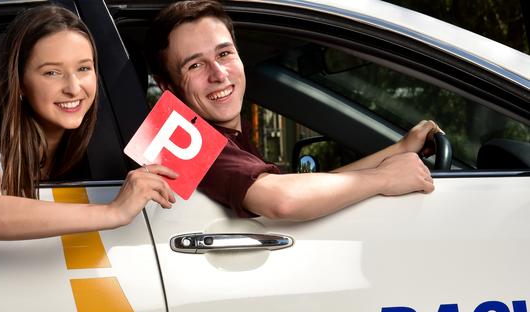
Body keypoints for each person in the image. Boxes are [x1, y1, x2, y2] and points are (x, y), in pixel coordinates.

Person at [145, 0, 441, 220]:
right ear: (167, 86)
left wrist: (400, 149)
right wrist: (383, 178)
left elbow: (302, 189)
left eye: (224, 54)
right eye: (195, 65)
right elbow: (283, 200)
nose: (219, 74)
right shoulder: (175, 139)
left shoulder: (228, 136)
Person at [0, 4, 176, 240]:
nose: (73, 88)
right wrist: (113, 211)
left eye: (83, 68)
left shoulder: (102, 146)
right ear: (19, 83)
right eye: (52, 72)